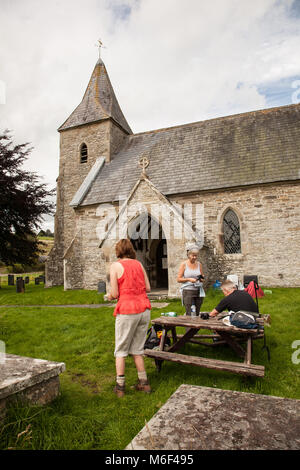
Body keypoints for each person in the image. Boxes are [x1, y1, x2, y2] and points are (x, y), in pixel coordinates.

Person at [105, 238, 152, 398]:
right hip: (144, 309)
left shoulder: (115, 266)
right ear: (131, 250)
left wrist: (109, 296)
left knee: (121, 350)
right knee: (137, 349)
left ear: (118, 251)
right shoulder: (138, 264)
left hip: (127, 310)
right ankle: (144, 383)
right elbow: (148, 287)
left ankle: (120, 386)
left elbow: (115, 293)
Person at [177, 244, 205, 316]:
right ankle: (189, 327)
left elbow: (202, 277)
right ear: (188, 255)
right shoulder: (184, 264)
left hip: (198, 290)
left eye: (196, 256)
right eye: (193, 255)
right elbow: (178, 279)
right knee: (189, 312)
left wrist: (201, 278)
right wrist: (189, 279)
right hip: (187, 291)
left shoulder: (199, 264)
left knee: (197, 312)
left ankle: (196, 327)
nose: (195, 257)